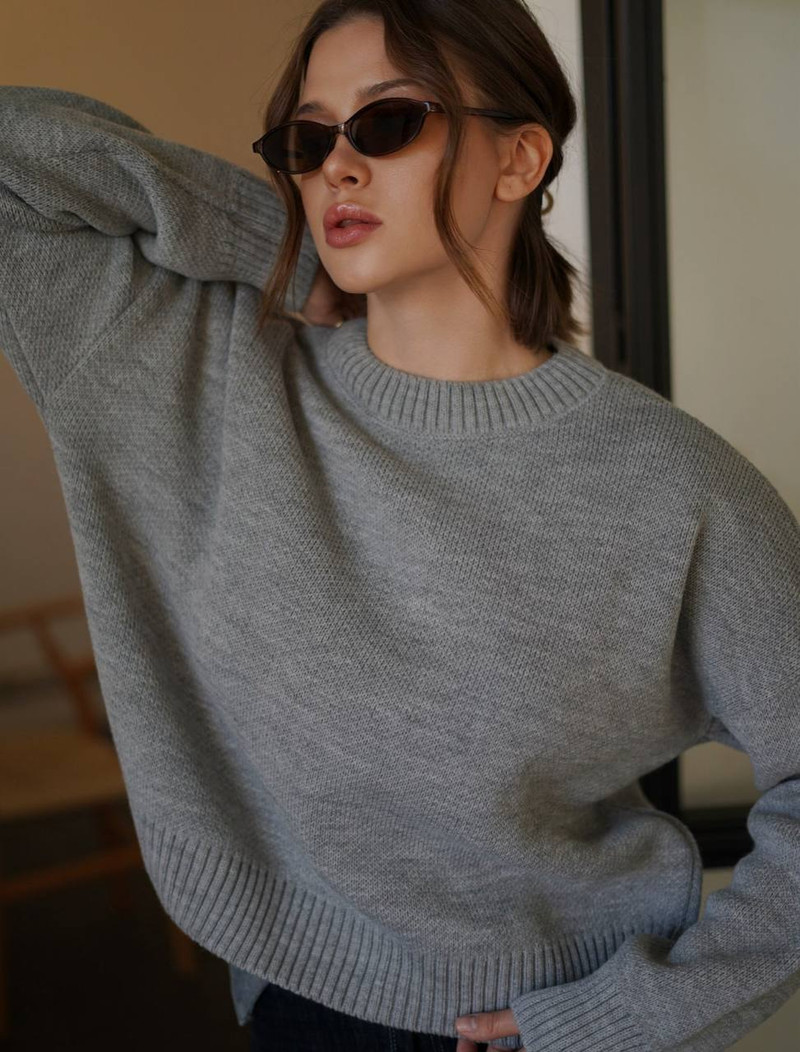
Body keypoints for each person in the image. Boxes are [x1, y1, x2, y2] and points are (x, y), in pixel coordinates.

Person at [1, 0, 798, 1050]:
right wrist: (289, 255)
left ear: (518, 159)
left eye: (386, 122)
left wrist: (628, 1015)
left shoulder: (674, 485)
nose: (336, 165)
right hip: (298, 1000)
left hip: (555, 1007)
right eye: (307, 139)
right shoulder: (200, 369)